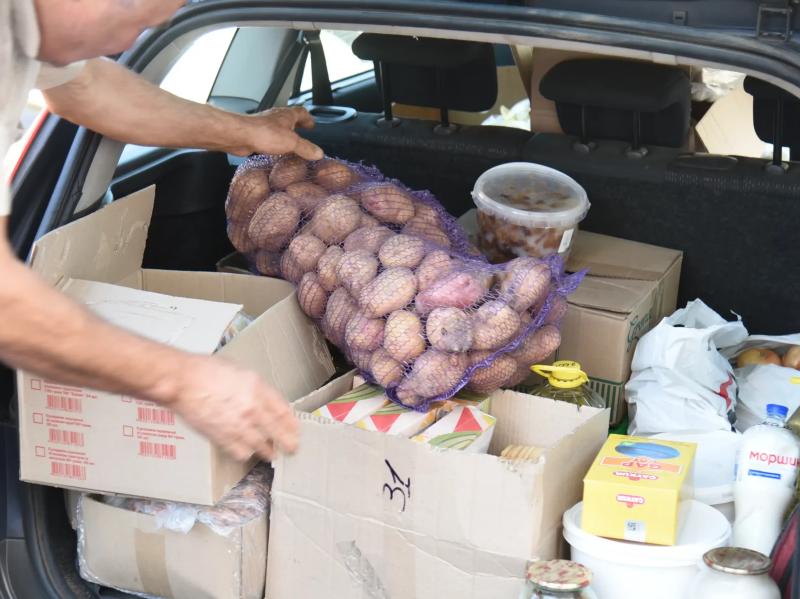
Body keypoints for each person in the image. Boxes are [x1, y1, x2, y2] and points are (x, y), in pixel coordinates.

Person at [0, 0, 323, 462]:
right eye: (136, 15)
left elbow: (87, 84)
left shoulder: (23, 31)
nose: (131, 41)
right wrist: (184, 380)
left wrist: (246, 133)